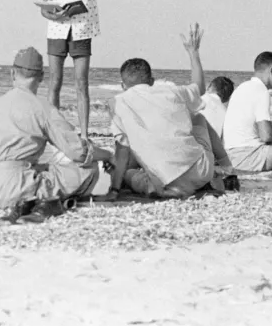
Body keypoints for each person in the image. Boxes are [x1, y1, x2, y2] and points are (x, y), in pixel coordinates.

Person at [0, 47, 113, 224]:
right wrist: (108, 155)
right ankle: (36, 203)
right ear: (42, 77)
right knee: (88, 170)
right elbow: (79, 153)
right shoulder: (42, 107)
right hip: (12, 189)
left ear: (12, 74)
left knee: (36, 167)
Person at [99, 24, 236, 201]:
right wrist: (193, 52)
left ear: (122, 86)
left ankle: (158, 188)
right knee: (199, 117)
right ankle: (228, 170)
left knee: (128, 172)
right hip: (200, 170)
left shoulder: (117, 103)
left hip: (163, 182)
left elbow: (122, 149)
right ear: (152, 81)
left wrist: (114, 190)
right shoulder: (171, 91)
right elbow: (199, 88)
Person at [40, 0, 100, 140]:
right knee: (54, 81)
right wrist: (55, 14)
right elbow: (44, 9)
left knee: (81, 82)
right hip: (57, 30)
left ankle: (84, 134)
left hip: (81, 30)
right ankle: (53, 132)